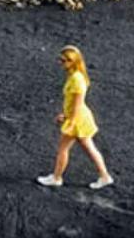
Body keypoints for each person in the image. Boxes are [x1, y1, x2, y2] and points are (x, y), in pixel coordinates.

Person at [37, 45, 114, 189]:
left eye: (63, 60)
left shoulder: (77, 80)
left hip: (77, 120)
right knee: (89, 148)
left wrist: (70, 123)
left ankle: (57, 178)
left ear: (72, 62)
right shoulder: (75, 76)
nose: (61, 63)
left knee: (63, 149)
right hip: (80, 118)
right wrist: (65, 115)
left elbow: (77, 105)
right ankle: (104, 176)